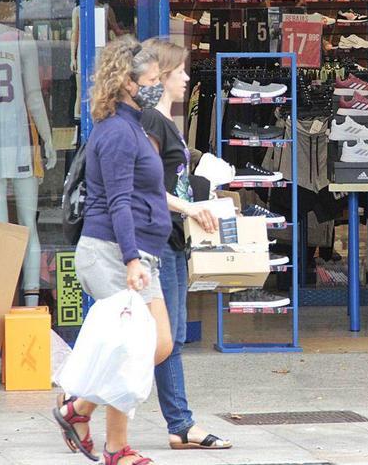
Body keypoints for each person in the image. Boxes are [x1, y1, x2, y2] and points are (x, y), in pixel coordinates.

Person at [53, 35, 173, 465]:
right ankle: (116, 448)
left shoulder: (131, 125)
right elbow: (119, 201)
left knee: (157, 344)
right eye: (154, 78)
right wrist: (131, 259)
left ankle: (78, 408)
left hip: (137, 252)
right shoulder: (119, 133)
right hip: (113, 252)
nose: (159, 84)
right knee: (134, 348)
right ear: (128, 82)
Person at [139, 38, 231, 450]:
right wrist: (190, 208)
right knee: (161, 337)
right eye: (181, 72)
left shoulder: (164, 122)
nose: (188, 78)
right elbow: (147, 188)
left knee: (168, 335)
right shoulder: (151, 122)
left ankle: (179, 424)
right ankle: (82, 401)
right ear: (161, 76)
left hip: (171, 237)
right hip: (157, 238)